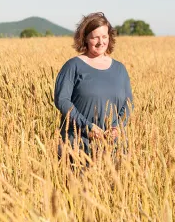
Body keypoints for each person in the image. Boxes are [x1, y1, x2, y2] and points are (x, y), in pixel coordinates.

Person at [54, 12, 133, 163]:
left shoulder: (120, 69)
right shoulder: (73, 66)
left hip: (112, 149)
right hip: (77, 147)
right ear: (85, 38)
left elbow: (128, 103)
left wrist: (116, 128)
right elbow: (62, 100)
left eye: (104, 36)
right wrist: (87, 127)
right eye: (94, 37)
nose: (100, 41)